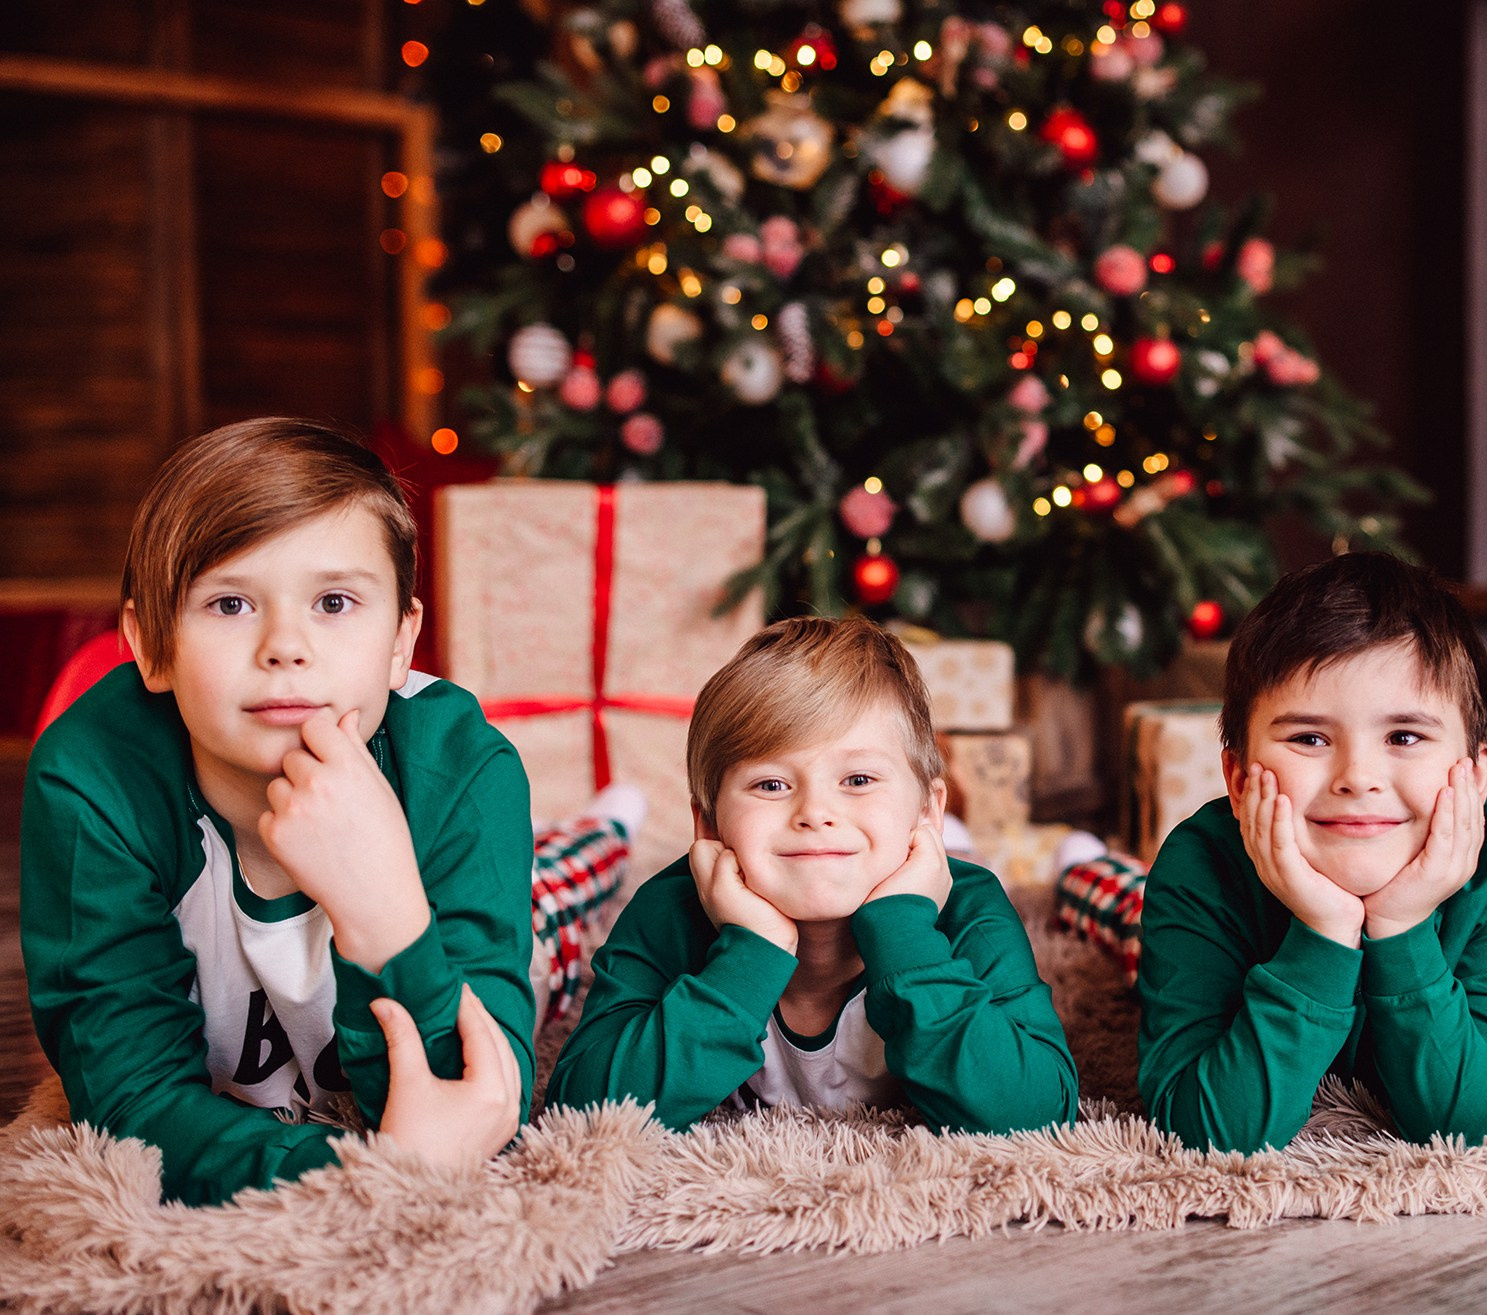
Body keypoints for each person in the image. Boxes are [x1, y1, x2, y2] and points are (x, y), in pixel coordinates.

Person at [21, 418, 622, 1206]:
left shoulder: (464, 770)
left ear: (402, 641)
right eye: (230, 603)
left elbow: (478, 1102)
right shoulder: (91, 779)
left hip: (477, 907)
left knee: (570, 885)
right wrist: (354, 1173)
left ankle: (613, 821)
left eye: (334, 601)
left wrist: (386, 915)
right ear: (151, 645)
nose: (286, 645)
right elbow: (129, 1104)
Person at [547, 616, 1078, 1134]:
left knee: (946, 853)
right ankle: (608, 822)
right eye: (772, 785)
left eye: (858, 778)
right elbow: (579, 1108)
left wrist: (906, 935)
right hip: (847, 854)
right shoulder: (669, 910)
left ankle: (980, 840)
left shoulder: (970, 912)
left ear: (926, 812)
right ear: (708, 823)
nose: (815, 813)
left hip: (920, 856)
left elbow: (1040, 1111)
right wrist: (750, 955)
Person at [1136, 553, 1487, 1152]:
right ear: (1236, 775)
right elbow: (1205, 1132)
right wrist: (1324, 931)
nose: (1358, 778)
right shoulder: (1199, 863)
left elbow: (1486, 1131)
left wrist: (1403, 928)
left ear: (1479, 773)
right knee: (1104, 900)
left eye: (1404, 737)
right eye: (1309, 738)